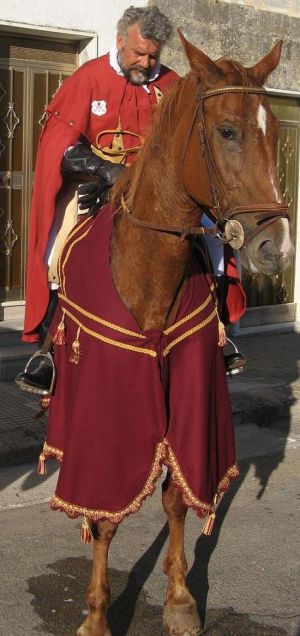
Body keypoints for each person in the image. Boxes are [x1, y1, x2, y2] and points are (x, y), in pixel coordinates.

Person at [17, 5, 245, 392]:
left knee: (214, 240)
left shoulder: (173, 84)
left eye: (154, 55)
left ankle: (218, 333)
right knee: (58, 243)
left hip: (159, 191)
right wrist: (105, 170)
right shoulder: (88, 78)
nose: (146, 61)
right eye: (139, 52)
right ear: (120, 39)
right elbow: (60, 145)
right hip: (97, 183)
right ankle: (49, 351)